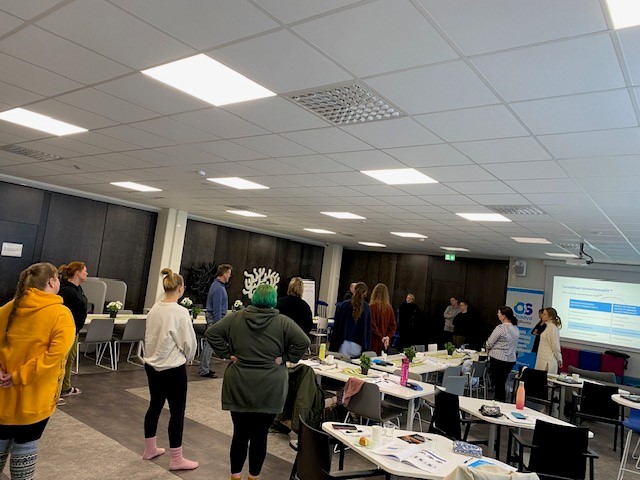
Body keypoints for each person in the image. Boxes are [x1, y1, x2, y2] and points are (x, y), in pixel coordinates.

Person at [205, 284, 310, 480]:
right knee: (260, 436)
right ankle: (253, 477)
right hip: (270, 387)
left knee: (239, 434)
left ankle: (235, 476)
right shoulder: (283, 322)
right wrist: (285, 357)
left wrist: (227, 353)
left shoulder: (235, 318)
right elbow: (303, 342)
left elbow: (212, 333)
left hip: (239, 384)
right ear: (273, 300)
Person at [0, 262, 75, 479]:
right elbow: (54, 356)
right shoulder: (60, 314)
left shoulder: (6, 309)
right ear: (51, 281)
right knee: (24, 457)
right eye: (57, 278)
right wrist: (19, 377)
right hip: (35, 401)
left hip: (3, 399)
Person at [142, 268, 198, 471]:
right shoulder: (180, 312)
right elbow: (188, 342)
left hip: (151, 365)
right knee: (177, 412)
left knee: (155, 405)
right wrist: (189, 357)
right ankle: (176, 459)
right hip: (173, 368)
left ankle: (150, 448)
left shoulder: (154, 308)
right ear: (181, 288)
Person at [57, 262, 89, 400]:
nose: (87, 273)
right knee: (63, 360)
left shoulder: (77, 288)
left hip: (74, 330)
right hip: (66, 330)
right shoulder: (67, 291)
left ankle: (65, 387)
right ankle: (56, 391)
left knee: (69, 359)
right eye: (85, 270)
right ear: (77, 272)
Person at [199, 263, 232, 378]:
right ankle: (204, 370)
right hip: (215, 318)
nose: (230, 276)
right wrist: (219, 324)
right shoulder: (218, 288)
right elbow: (217, 308)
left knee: (209, 343)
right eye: (229, 273)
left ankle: (204, 368)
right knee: (209, 343)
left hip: (215, 318)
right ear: (224, 273)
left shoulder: (218, 286)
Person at [486, 306, 520, 402]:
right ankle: (501, 400)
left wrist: (488, 349)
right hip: (511, 359)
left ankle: (499, 401)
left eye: (499, 313)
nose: (497, 315)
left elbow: (490, 342)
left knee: (498, 383)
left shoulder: (500, 328)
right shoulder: (515, 328)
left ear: (504, 316)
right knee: (501, 382)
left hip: (498, 357)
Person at [328, 282, 371, 357]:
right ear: (365, 293)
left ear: (354, 290)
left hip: (343, 342)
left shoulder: (344, 305)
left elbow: (337, 325)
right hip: (358, 343)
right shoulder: (367, 308)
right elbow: (368, 329)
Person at [369, 283, 396, 355]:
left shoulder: (372, 307)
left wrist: (381, 337)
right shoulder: (389, 308)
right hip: (385, 343)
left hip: (374, 341)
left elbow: (372, 325)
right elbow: (393, 326)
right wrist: (387, 337)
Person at [534, 307, 563, 374]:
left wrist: (559, 358)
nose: (542, 315)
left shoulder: (552, 328)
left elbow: (555, 346)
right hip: (543, 358)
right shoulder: (548, 326)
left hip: (547, 360)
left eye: (544, 314)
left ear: (550, 317)